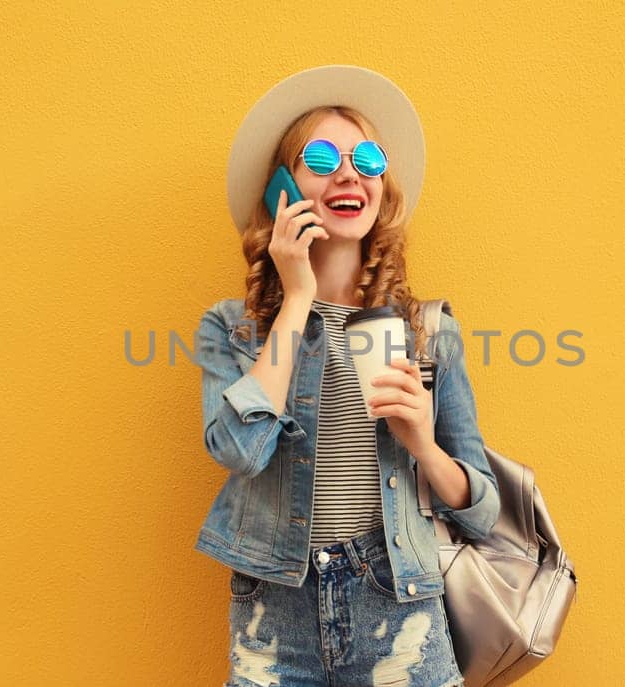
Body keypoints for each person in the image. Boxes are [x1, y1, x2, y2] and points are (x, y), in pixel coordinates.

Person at [194, 65, 501, 687]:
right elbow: (241, 451)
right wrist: (298, 295)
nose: (348, 173)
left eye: (366, 158)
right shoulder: (233, 329)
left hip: (400, 604)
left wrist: (422, 443)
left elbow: (484, 510)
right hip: (275, 611)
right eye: (322, 157)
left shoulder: (429, 330)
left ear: (383, 190)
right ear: (282, 191)